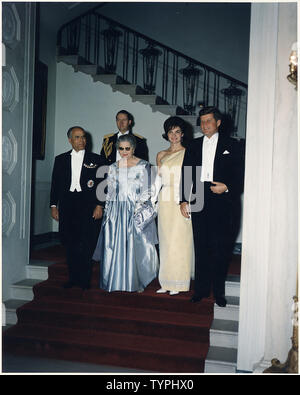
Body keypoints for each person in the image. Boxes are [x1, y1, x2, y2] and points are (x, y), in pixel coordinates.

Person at [180, 107, 244, 307]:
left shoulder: (233, 145)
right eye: (202, 121)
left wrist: (227, 187)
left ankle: (219, 293)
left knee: (221, 248)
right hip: (199, 194)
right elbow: (186, 173)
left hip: (223, 198)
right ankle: (200, 290)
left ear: (218, 123)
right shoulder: (193, 144)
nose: (205, 125)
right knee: (201, 245)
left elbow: (242, 174)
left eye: (209, 121)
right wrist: (183, 199)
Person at [93, 134, 158, 292]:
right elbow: (110, 191)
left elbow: (148, 190)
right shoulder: (113, 167)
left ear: (133, 148)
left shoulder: (144, 166)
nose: (124, 152)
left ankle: (135, 281)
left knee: (136, 244)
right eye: (121, 149)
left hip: (135, 209)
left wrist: (139, 210)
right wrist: (108, 211)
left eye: (127, 148)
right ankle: (114, 281)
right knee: (113, 245)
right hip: (116, 210)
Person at [50, 126, 103, 290]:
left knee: (86, 242)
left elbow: (103, 185)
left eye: (84, 137)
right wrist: (53, 205)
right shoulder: (60, 159)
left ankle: (84, 280)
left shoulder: (97, 159)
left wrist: (100, 205)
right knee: (70, 242)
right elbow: (55, 184)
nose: (82, 140)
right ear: (70, 140)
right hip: (67, 204)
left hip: (87, 204)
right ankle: (72, 278)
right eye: (78, 137)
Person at [155, 117, 194, 296]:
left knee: (180, 241)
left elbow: (193, 180)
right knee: (165, 241)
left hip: (182, 198)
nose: (174, 135)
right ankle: (165, 281)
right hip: (164, 198)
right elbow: (157, 181)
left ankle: (179, 282)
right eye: (171, 132)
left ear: (183, 134)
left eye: (177, 132)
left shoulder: (189, 152)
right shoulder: (161, 155)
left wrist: (191, 203)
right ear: (166, 134)